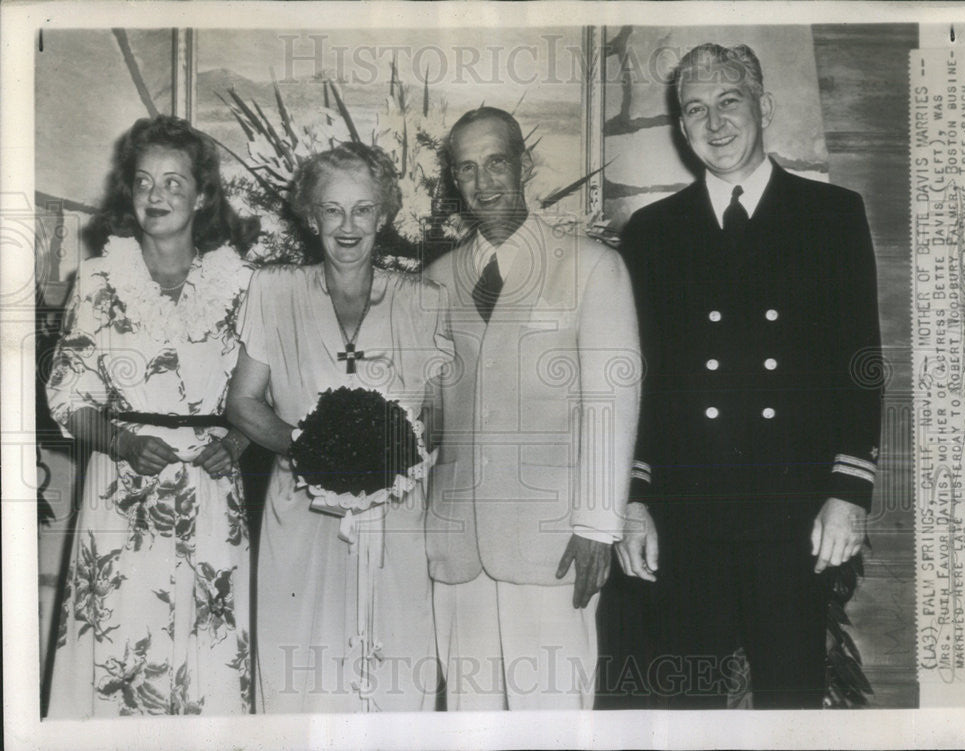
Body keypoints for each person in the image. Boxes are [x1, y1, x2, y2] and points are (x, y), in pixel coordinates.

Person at [596, 43, 883, 709]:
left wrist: (850, 491)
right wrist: (635, 500)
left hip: (795, 515)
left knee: (789, 701)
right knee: (683, 701)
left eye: (730, 101)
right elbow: (643, 381)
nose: (714, 122)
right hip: (686, 515)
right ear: (681, 124)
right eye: (695, 109)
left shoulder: (832, 216)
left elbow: (861, 363)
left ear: (765, 106)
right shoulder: (654, 232)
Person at [423, 107, 641, 710]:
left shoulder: (592, 267)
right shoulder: (435, 280)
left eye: (496, 162)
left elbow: (611, 400)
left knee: (552, 721)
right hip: (457, 546)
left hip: (554, 546)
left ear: (525, 165)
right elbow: (433, 413)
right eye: (467, 169)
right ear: (453, 180)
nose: (484, 181)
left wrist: (598, 525)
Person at [45, 115, 259, 717]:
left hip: (211, 490)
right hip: (121, 491)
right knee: (119, 649)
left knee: (207, 659)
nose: (157, 195)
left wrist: (240, 441)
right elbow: (67, 396)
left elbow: (265, 392)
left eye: (173, 181)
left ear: (204, 194)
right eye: (144, 182)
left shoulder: (242, 285)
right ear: (129, 193)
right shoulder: (95, 281)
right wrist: (119, 443)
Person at [226, 143, 452, 713]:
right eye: (332, 210)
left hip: (395, 519)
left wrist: (389, 460)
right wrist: (315, 452)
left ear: (383, 215)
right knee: (302, 672)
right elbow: (244, 404)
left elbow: (440, 421)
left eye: (362, 210)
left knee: (396, 672)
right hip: (300, 516)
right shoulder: (273, 291)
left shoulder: (425, 301)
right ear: (311, 216)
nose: (347, 226)